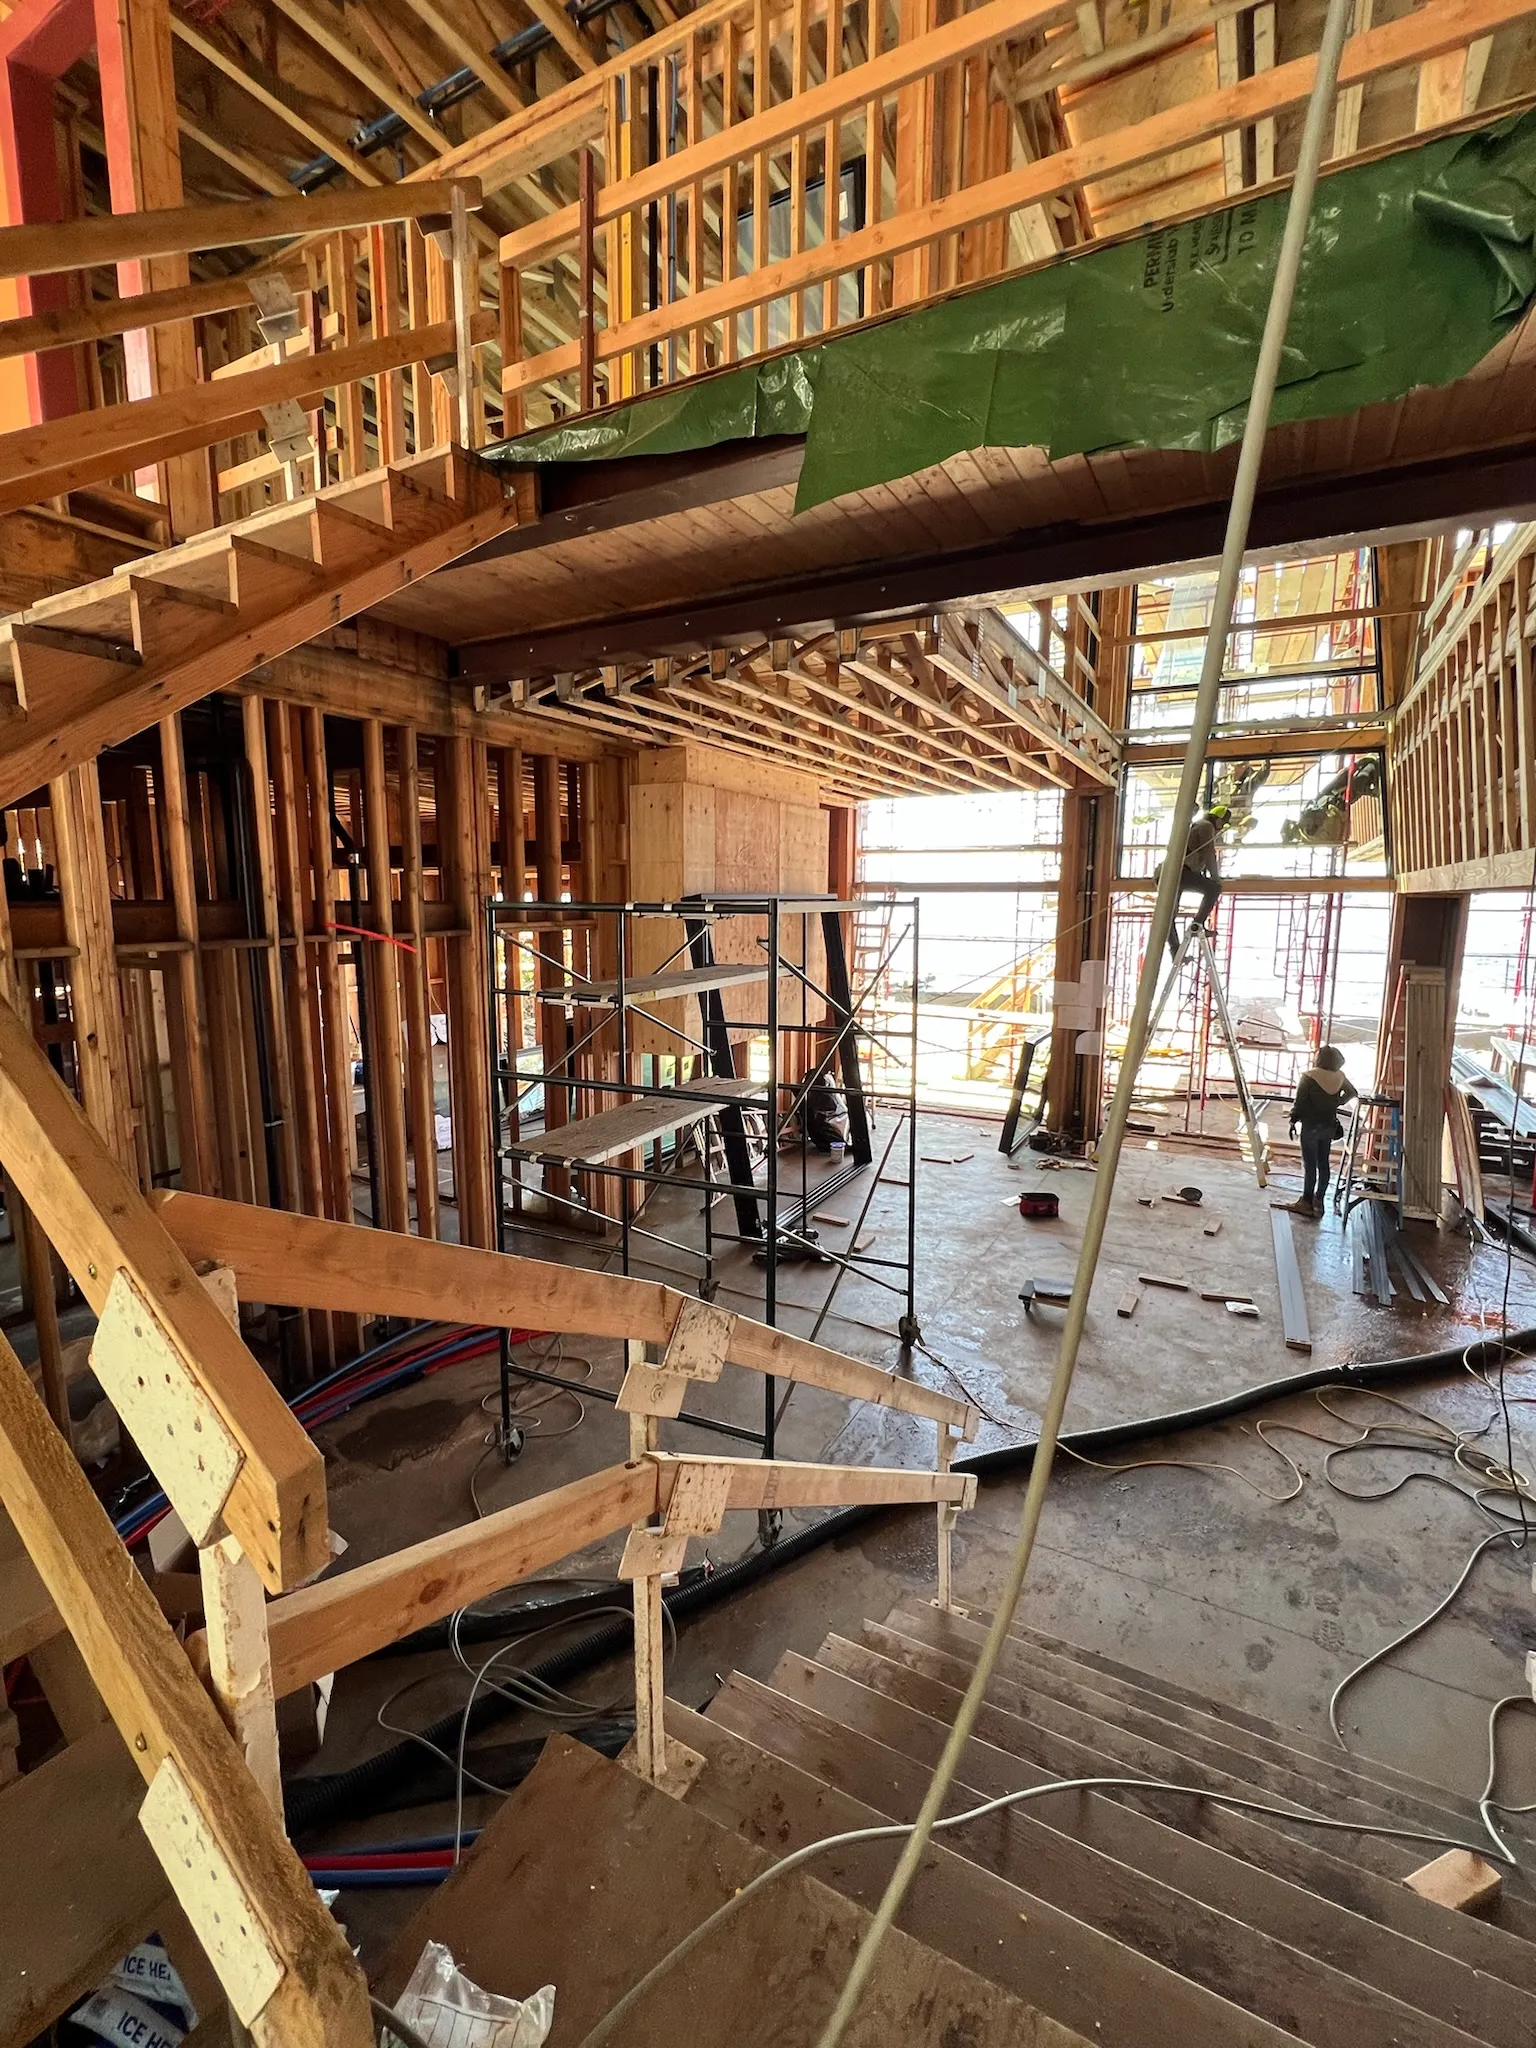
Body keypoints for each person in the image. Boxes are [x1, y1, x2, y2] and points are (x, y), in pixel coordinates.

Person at [1288, 1044, 1357, 1217]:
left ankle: (1306, 1201)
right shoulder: (1340, 1077)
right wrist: (1336, 1103)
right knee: (1323, 1164)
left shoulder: (1309, 1076)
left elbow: (1300, 1102)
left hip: (1310, 1125)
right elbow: (1352, 1092)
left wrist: (1293, 1119)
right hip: (1328, 1126)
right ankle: (1320, 1200)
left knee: (1310, 1165)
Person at [1163, 802, 1231, 961]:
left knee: (1168, 917)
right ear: (1217, 819)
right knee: (1213, 888)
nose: (1221, 828)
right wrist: (1215, 877)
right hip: (1180, 873)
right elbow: (1208, 853)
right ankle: (1197, 924)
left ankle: (1176, 954)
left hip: (1172, 873)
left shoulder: (1198, 826)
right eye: (1222, 823)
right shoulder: (1206, 826)